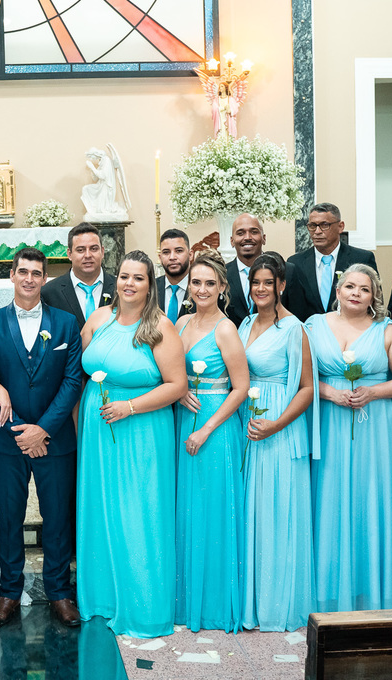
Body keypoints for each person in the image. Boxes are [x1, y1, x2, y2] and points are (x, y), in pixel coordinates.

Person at [77, 251, 187, 638]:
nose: (128, 284)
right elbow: (85, 372)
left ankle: (142, 605)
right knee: (101, 507)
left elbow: (177, 386)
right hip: (97, 426)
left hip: (141, 429)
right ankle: (103, 599)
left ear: (149, 284)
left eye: (138, 278)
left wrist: (130, 406)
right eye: (124, 276)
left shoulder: (159, 327)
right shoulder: (99, 320)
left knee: (139, 511)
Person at [0, 248, 83, 628]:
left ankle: (59, 592)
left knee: (57, 517)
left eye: (37, 273)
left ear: (44, 278)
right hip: (8, 441)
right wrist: (22, 431)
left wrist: (43, 430)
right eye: (23, 272)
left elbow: (73, 382)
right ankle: (9, 592)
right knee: (10, 518)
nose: (29, 279)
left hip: (54, 439)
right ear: (13, 276)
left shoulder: (67, 324)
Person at [306, 265, 392, 613]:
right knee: (331, 498)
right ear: (337, 291)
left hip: (375, 429)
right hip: (331, 424)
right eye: (349, 286)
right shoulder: (313, 325)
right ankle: (330, 591)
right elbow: (302, 378)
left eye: (364, 289)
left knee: (371, 497)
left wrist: (372, 392)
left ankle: (373, 592)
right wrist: (329, 393)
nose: (355, 293)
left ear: (373, 296)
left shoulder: (386, 329)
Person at [238, 252, 317, 631]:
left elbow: (306, 389)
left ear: (281, 286)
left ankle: (277, 604)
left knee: (277, 513)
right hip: (246, 425)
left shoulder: (294, 328)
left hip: (279, 426)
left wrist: (276, 424)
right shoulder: (245, 321)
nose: (262, 289)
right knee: (251, 512)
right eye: (256, 282)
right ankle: (250, 599)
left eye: (269, 282)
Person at [172, 251, 249, 633]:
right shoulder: (182, 321)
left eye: (209, 283)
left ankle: (215, 605)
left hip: (215, 427)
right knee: (186, 508)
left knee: (212, 509)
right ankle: (186, 602)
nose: (201, 289)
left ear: (222, 288)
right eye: (196, 282)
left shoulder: (225, 328)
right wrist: (178, 389)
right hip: (184, 417)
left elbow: (241, 387)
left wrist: (206, 429)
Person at [285, 203, 377, 322]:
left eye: (324, 225)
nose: (317, 231)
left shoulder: (362, 259)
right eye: (312, 226)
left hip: (350, 333)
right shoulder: (295, 263)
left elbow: (374, 303)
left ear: (340, 226)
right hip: (308, 334)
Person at [41, 222, 118, 331]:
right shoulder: (49, 293)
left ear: (102, 251)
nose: (87, 255)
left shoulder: (119, 288)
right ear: (69, 254)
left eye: (94, 249)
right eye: (80, 250)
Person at [156, 228, 191, 321]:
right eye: (166, 252)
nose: (172, 257)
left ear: (190, 255)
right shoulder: (151, 288)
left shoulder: (201, 289)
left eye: (179, 251)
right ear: (160, 257)